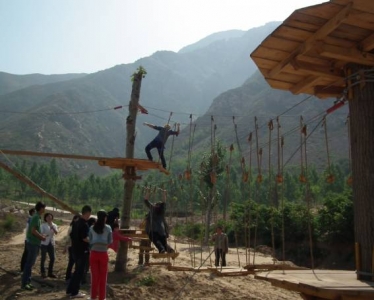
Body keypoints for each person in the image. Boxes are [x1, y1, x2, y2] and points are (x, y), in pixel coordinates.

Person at [66, 205, 92, 299]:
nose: (89, 216)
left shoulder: (76, 222)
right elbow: (85, 238)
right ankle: (75, 292)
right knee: (79, 272)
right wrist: (92, 240)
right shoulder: (84, 224)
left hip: (74, 250)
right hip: (82, 251)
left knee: (76, 271)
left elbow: (72, 235)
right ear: (87, 213)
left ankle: (70, 290)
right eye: (89, 214)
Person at [21, 201, 46, 290]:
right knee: (29, 264)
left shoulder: (37, 217)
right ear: (41, 208)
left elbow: (35, 230)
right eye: (44, 208)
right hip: (32, 243)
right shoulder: (36, 217)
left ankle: (28, 281)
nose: (44, 210)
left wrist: (41, 235)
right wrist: (41, 237)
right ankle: (24, 283)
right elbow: (33, 231)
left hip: (34, 243)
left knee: (30, 263)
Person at [88, 210, 113, 300]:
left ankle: (93, 297)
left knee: (94, 277)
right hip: (103, 253)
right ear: (105, 218)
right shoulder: (108, 228)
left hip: (93, 253)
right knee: (103, 277)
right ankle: (102, 297)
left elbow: (90, 240)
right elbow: (110, 241)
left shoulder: (92, 227)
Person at [144, 188, 174, 253]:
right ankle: (170, 250)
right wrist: (164, 193)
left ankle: (161, 250)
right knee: (164, 243)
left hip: (154, 230)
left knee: (156, 240)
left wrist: (148, 192)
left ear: (156, 205)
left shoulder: (153, 208)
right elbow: (164, 202)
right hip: (162, 231)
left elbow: (146, 200)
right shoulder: (162, 211)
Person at [40, 213, 58, 278]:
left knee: (52, 258)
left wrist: (52, 227)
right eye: (47, 217)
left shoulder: (54, 225)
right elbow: (41, 233)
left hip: (51, 243)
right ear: (45, 218)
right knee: (43, 258)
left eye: (50, 217)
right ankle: (43, 272)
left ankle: (50, 272)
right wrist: (44, 235)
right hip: (44, 243)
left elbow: (56, 232)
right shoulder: (43, 225)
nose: (49, 218)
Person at [64, 214, 80, 282]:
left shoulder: (76, 227)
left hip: (75, 246)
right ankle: (68, 277)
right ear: (74, 219)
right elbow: (68, 238)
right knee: (72, 262)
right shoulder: (72, 227)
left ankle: (70, 276)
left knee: (73, 262)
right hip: (72, 246)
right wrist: (66, 247)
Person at [20, 207, 35, 272]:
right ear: (32, 213)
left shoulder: (31, 219)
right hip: (29, 240)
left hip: (29, 239)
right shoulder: (31, 220)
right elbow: (29, 230)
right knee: (27, 254)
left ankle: (23, 267)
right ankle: (23, 268)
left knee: (26, 253)